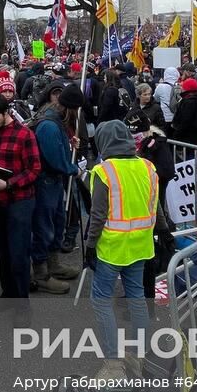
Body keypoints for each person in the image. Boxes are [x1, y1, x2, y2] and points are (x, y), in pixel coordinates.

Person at [85, 120, 159, 363]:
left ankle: (113, 357)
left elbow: (97, 215)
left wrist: (89, 246)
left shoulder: (103, 171)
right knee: (137, 297)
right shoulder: (148, 167)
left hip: (112, 248)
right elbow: (155, 205)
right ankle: (142, 352)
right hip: (141, 244)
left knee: (101, 301)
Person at [0, 92, 43, 300]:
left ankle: (21, 302)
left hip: (19, 201)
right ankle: (8, 293)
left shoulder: (24, 135)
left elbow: (34, 170)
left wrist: (8, 184)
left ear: (6, 112)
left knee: (19, 255)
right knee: (2, 253)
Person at [31, 83, 85, 292]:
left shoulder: (57, 121)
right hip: (45, 181)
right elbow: (55, 159)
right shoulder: (49, 125)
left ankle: (53, 264)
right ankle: (41, 272)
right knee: (44, 225)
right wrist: (73, 169)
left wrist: (70, 143)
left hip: (53, 181)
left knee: (57, 220)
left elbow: (59, 148)